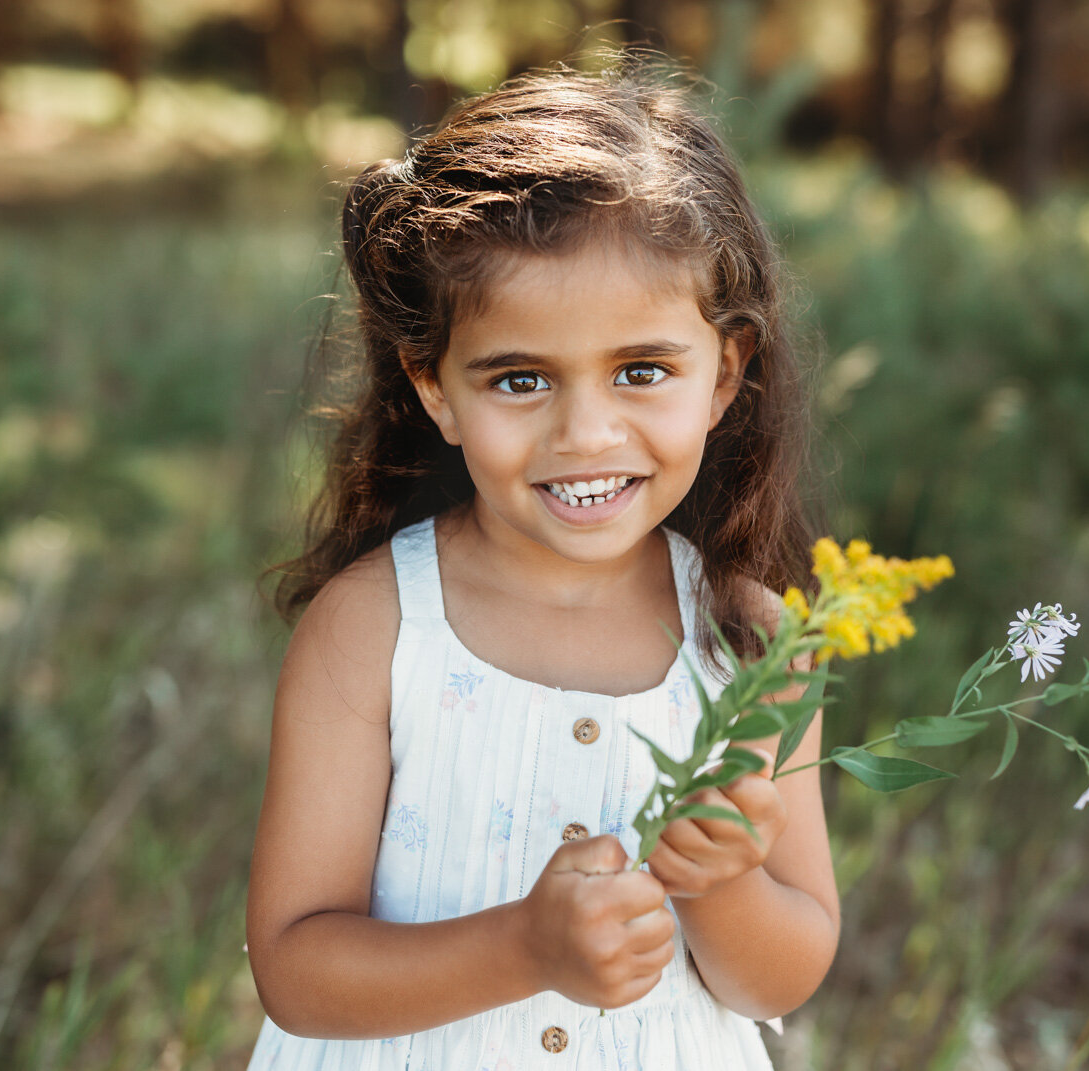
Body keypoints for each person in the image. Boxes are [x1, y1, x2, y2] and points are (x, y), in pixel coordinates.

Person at [244, 59, 840, 1070]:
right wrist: (524, 947)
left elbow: (779, 977)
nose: (587, 433)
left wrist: (722, 881)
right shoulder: (375, 627)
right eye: (520, 379)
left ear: (724, 374)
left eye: (643, 371)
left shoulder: (753, 637)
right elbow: (295, 971)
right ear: (436, 391)